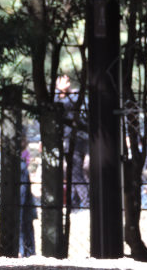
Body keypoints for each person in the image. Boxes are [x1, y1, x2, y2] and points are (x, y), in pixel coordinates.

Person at [56, 75, 89, 208]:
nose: (67, 83)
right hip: (68, 139)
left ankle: (86, 202)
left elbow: (69, 106)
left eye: (68, 80)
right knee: (72, 171)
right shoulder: (58, 97)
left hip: (78, 139)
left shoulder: (76, 97)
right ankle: (74, 202)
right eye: (64, 81)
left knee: (76, 172)